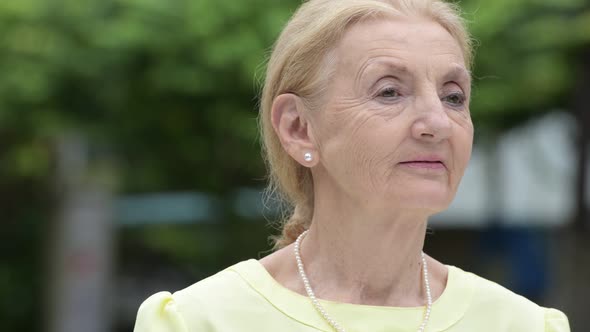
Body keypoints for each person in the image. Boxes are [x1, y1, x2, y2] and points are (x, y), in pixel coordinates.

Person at [133, 0, 570, 331]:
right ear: (299, 128)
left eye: (453, 96)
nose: (437, 122)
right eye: (389, 92)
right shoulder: (197, 322)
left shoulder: (526, 325)